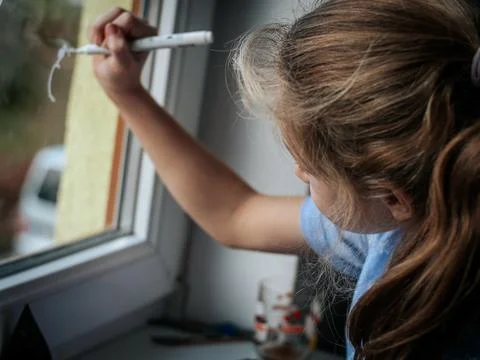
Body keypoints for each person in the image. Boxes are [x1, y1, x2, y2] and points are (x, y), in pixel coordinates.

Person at [90, 1, 480, 358]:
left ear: (392, 197)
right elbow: (235, 214)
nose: (298, 172)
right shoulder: (401, 229)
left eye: (307, 170)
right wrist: (128, 94)